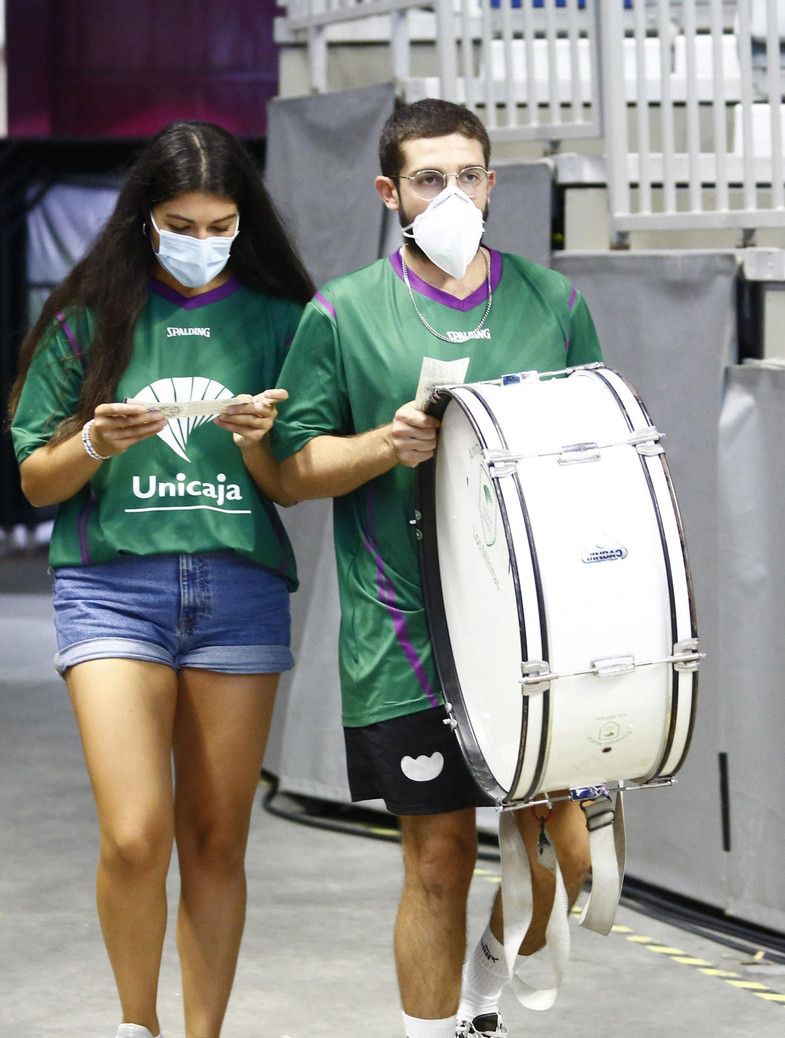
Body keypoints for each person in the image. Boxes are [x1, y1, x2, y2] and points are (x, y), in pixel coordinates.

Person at [271, 99, 606, 1038]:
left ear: (492, 185)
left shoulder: (556, 305)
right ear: (390, 192)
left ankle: (490, 977)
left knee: (571, 858)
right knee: (438, 861)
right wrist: (385, 444)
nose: (451, 195)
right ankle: (439, 1030)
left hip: (539, 629)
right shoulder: (341, 313)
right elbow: (293, 471)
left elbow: (596, 458)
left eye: (467, 176)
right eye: (428, 178)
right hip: (404, 630)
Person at [8, 121, 312, 1038]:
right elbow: (34, 479)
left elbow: (291, 487)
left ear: (241, 222)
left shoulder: (282, 321)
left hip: (237, 590)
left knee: (217, 842)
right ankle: (134, 1023)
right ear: (145, 218)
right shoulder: (87, 318)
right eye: (182, 221)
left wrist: (265, 446)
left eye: (220, 224)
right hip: (111, 588)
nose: (201, 239)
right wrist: (93, 439)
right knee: (136, 835)